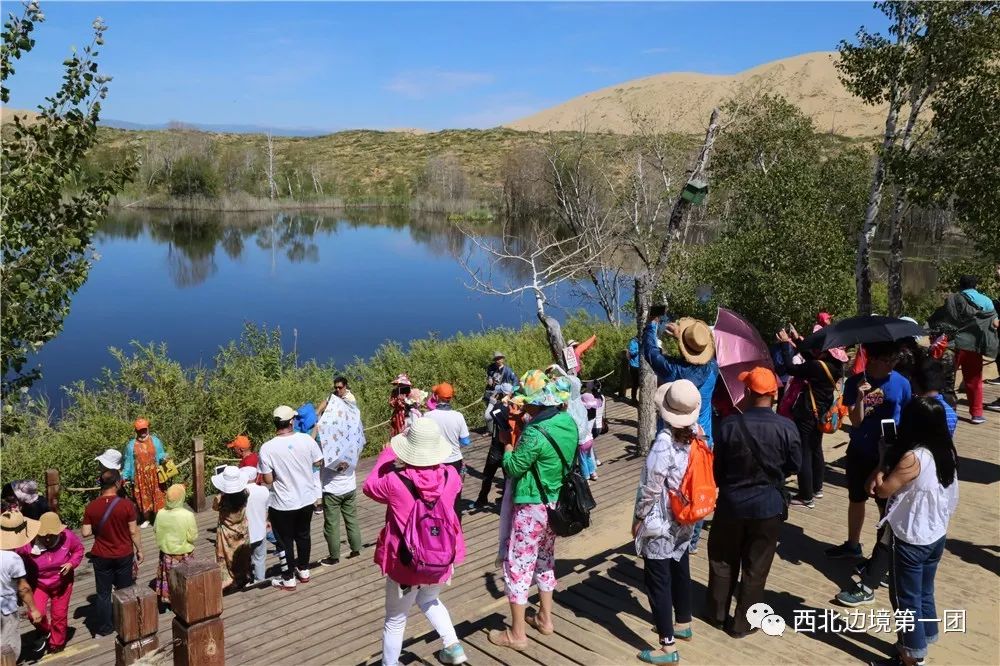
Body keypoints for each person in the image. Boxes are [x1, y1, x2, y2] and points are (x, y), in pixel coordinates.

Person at [836, 357, 957, 607]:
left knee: (890, 539)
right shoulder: (949, 413)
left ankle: (868, 587)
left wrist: (883, 463)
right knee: (924, 589)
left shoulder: (919, 424)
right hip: (936, 508)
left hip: (912, 501)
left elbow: (883, 489)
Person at [362, 418, 468, 666]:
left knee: (396, 619)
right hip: (441, 556)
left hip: (406, 562)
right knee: (429, 598)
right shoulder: (451, 476)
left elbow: (368, 487)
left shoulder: (394, 482)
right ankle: (453, 647)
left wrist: (387, 455)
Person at [705, 367, 800, 638]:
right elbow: (795, 465)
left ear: (748, 391)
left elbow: (718, 470)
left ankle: (717, 613)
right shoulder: (786, 427)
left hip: (732, 504)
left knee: (722, 559)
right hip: (768, 507)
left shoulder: (729, 425)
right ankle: (743, 623)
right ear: (773, 393)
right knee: (756, 567)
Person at [488, 371, 579, 651]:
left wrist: (506, 443)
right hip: (555, 505)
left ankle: (517, 634)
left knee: (518, 566)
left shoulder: (534, 433)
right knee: (545, 560)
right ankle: (545, 619)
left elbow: (513, 467)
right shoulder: (568, 423)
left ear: (535, 403)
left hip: (531, 506)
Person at [869, 397, 959, 666]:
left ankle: (912, 655)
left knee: (905, 599)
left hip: (910, 537)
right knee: (924, 591)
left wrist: (884, 458)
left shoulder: (912, 458)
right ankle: (927, 635)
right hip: (936, 533)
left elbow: (882, 490)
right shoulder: (947, 452)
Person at [631, 380, 702, 664]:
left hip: (662, 518)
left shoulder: (664, 442)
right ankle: (683, 622)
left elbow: (651, 486)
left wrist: (638, 518)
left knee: (657, 580)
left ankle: (667, 646)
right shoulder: (698, 433)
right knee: (680, 564)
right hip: (686, 516)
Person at [827, 342, 912, 560]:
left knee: (886, 507)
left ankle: (882, 559)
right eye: (888, 360)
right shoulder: (856, 382)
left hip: (888, 454)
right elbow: (855, 422)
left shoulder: (901, 383)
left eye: (895, 359)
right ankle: (852, 544)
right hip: (860, 450)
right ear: (873, 358)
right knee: (856, 499)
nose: (892, 364)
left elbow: (908, 417)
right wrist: (859, 398)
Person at [643, 316, 718, 552]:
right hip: (704, 439)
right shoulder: (713, 368)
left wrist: (651, 326)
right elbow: (699, 356)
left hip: (675, 440)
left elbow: (651, 352)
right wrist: (685, 343)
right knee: (698, 488)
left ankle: (670, 534)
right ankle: (691, 541)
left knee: (670, 490)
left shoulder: (673, 369)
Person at [774, 330, 846, 508]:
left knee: (804, 452)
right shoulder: (835, 366)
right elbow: (810, 359)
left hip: (807, 413)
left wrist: (784, 345)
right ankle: (817, 488)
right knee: (815, 449)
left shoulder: (816, 367)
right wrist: (796, 340)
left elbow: (791, 368)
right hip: (821, 412)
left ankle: (806, 496)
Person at [259, 405, 323, 591]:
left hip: (282, 503)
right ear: (291, 421)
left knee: (284, 541)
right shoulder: (306, 440)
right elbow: (317, 462)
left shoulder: (267, 448)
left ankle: (288, 578)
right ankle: (303, 569)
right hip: (306, 499)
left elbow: (268, 479)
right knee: (303, 535)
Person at [929, 274, 999, 425]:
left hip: (953, 346)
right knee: (974, 381)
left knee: (947, 380)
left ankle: (947, 410)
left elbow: (941, 320)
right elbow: (994, 323)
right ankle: (977, 414)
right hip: (974, 346)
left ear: (960, 285)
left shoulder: (952, 299)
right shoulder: (986, 301)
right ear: (975, 285)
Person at [81, 470, 141, 636]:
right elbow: (133, 531)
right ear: (117, 483)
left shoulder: (91, 506)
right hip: (123, 553)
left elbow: (85, 532)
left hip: (101, 555)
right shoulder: (126, 505)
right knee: (124, 590)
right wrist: (140, 550)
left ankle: (106, 627)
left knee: (103, 593)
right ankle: (127, 624)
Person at [15, 511, 83, 655]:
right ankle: (45, 631)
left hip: (62, 583)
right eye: (44, 535)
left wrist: (71, 563)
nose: (47, 539)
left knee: (59, 615)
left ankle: (56, 643)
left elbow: (78, 550)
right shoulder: (29, 543)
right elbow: (15, 554)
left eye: (51, 535)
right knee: (34, 614)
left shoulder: (68, 536)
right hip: (39, 583)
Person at [423, 383, 471, 519]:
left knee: (435, 496)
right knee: (455, 495)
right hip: (454, 461)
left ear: (436, 397)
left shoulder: (428, 416)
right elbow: (466, 441)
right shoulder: (458, 416)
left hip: (435, 462)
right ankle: (456, 531)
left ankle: (438, 529)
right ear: (450, 398)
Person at [1, 510, 43, 661]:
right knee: (8, 648)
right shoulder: (13, 559)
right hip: (5, 607)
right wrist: (34, 609)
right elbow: (23, 588)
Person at [153, 484, 196, 606]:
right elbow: (192, 536)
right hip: (184, 554)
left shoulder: (160, 513)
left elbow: (156, 530)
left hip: (167, 554)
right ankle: (185, 599)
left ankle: (169, 601)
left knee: (168, 578)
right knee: (186, 578)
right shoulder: (187, 515)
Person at [122, 418, 169, 527]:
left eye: (144, 429)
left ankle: (159, 518)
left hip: (155, 474)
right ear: (136, 431)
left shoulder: (156, 441)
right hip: (139, 477)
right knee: (143, 497)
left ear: (148, 428)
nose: (143, 432)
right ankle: (147, 519)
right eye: (140, 430)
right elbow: (128, 462)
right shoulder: (131, 445)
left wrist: (164, 457)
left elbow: (161, 454)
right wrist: (124, 476)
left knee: (158, 495)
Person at [212, 466, 251, 591]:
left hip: (226, 531)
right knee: (242, 555)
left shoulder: (220, 499)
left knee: (226, 556)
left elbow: (215, 507)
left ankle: (228, 581)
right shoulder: (246, 494)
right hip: (242, 528)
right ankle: (242, 577)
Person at [477, 383, 516, 508]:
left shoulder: (498, 407)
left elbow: (487, 417)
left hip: (496, 447)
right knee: (507, 477)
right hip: (509, 445)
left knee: (488, 475)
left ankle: (482, 499)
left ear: (500, 394)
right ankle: (505, 499)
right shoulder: (515, 406)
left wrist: (491, 402)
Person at [239, 467, 270, 586]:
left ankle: (245, 580)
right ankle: (259, 580)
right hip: (260, 529)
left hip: (245, 532)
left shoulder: (240, 494)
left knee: (244, 559)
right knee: (260, 558)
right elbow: (268, 507)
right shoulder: (263, 491)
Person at [626, 336, 641, 402]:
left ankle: (640, 399)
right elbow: (631, 352)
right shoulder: (633, 342)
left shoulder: (642, 341)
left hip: (641, 366)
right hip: (634, 365)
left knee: (642, 383)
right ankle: (633, 399)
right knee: (635, 383)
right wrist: (638, 350)